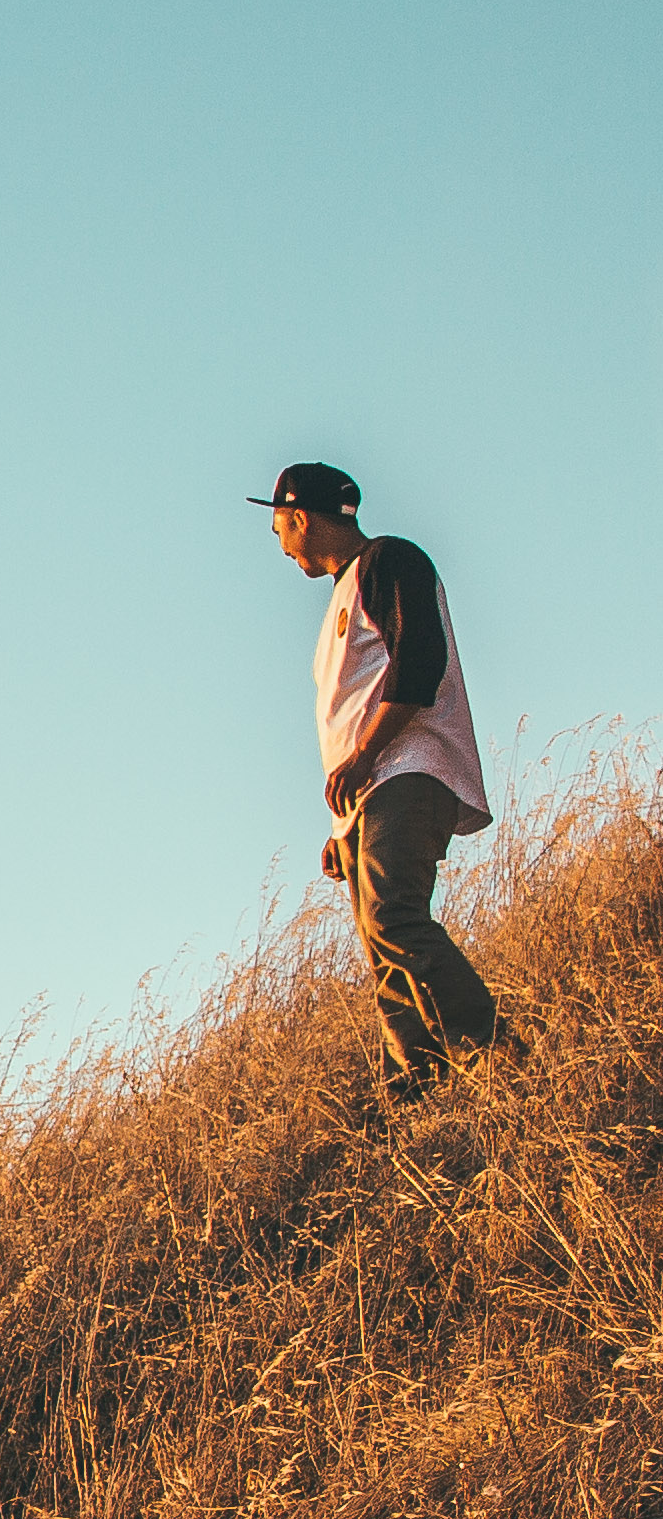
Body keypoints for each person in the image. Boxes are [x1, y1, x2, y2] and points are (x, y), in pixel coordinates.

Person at [259, 462, 497, 1093]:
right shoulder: (342, 599)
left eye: (279, 526)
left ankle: (492, 1048)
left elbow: (420, 662)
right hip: (371, 790)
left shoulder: (389, 561)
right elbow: (350, 714)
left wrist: (365, 758)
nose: (279, 542)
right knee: (381, 947)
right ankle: (417, 1090)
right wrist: (342, 825)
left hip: (406, 770)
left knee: (393, 918)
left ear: (300, 518)